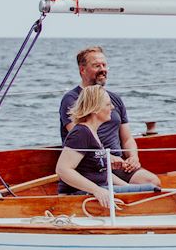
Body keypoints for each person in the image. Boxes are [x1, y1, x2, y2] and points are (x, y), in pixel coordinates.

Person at [58, 45, 155, 184]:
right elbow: (79, 138)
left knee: (151, 182)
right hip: (93, 165)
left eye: (104, 65)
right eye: (97, 66)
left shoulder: (114, 99)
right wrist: (106, 157)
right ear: (82, 70)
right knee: (135, 189)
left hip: (119, 164)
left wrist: (133, 158)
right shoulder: (72, 100)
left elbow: (127, 138)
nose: (103, 69)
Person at [57, 85, 160, 202]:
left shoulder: (92, 132)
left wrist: (128, 188)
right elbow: (63, 170)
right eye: (107, 104)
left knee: (151, 189)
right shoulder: (81, 133)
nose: (112, 107)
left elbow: (103, 173)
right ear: (95, 108)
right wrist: (97, 190)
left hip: (102, 188)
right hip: (81, 195)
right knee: (151, 190)